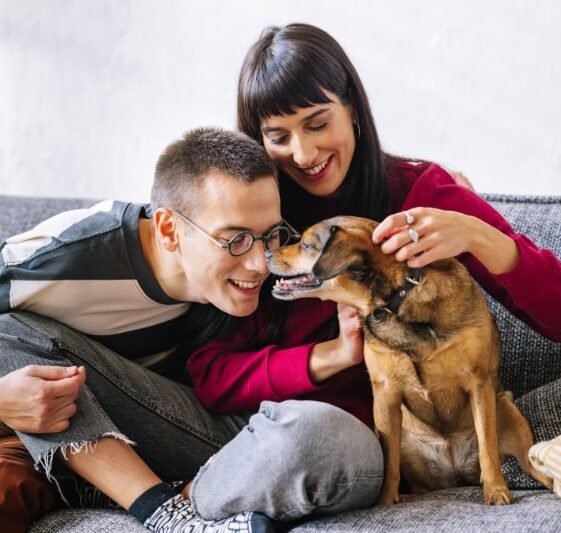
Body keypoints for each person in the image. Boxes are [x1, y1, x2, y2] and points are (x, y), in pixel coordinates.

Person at [182, 23, 561, 519]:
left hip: (352, 449)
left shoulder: (422, 197)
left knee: (320, 439)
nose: (304, 154)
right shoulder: (264, 227)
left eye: (318, 124)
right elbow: (210, 374)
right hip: (255, 435)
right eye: (278, 137)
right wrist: (329, 357)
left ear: (352, 108)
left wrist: (478, 235)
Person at [0, 127, 383, 532]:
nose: (258, 264)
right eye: (234, 240)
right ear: (168, 230)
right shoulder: (59, 259)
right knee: (10, 331)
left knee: (334, 439)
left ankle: (162, 495)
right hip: (57, 426)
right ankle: (167, 514)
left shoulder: (268, 268)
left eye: (270, 236)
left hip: (191, 439)